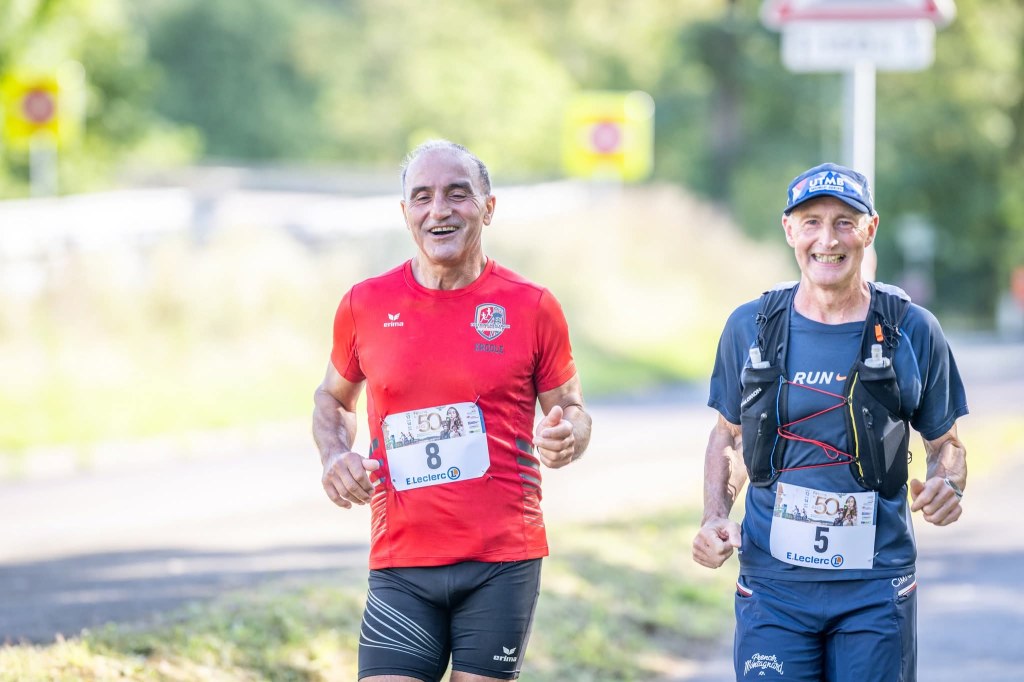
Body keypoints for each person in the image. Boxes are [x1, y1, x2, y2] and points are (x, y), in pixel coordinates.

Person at [312, 139, 592, 682]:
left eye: (457, 194)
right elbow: (332, 397)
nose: (438, 210)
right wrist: (333, 454)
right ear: (405, 213)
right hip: (401, 562)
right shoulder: (365, 304)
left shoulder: (532, 305)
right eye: (422, 197)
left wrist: (569, 436)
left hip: (501, 561)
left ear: (488, 207)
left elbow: (571, 408)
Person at [691, 162, 968, 681]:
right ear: (789, 230)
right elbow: (729, 436)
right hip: (774, 586)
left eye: (844, 222)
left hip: (876, 587)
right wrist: (714, 516)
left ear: (870, 229)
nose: (828, 239)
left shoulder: (913, 328)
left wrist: (947, 483)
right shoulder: (751, 327)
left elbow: (946, 443)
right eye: (812, 222)